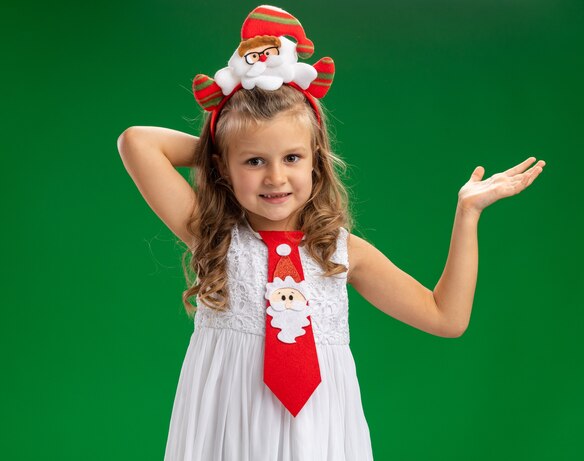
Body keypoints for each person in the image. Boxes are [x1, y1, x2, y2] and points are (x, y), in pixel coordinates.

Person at [117, 5, 546, 461]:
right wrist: (223, 147)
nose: (275, 178)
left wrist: (468, 214)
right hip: (229, 432)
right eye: (254, 161)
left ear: (317, 160)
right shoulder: (216, 238)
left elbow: (447, 317)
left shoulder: (343, 253)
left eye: (292, 158)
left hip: (320, 436)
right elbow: (136, 142)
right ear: (223, 166)